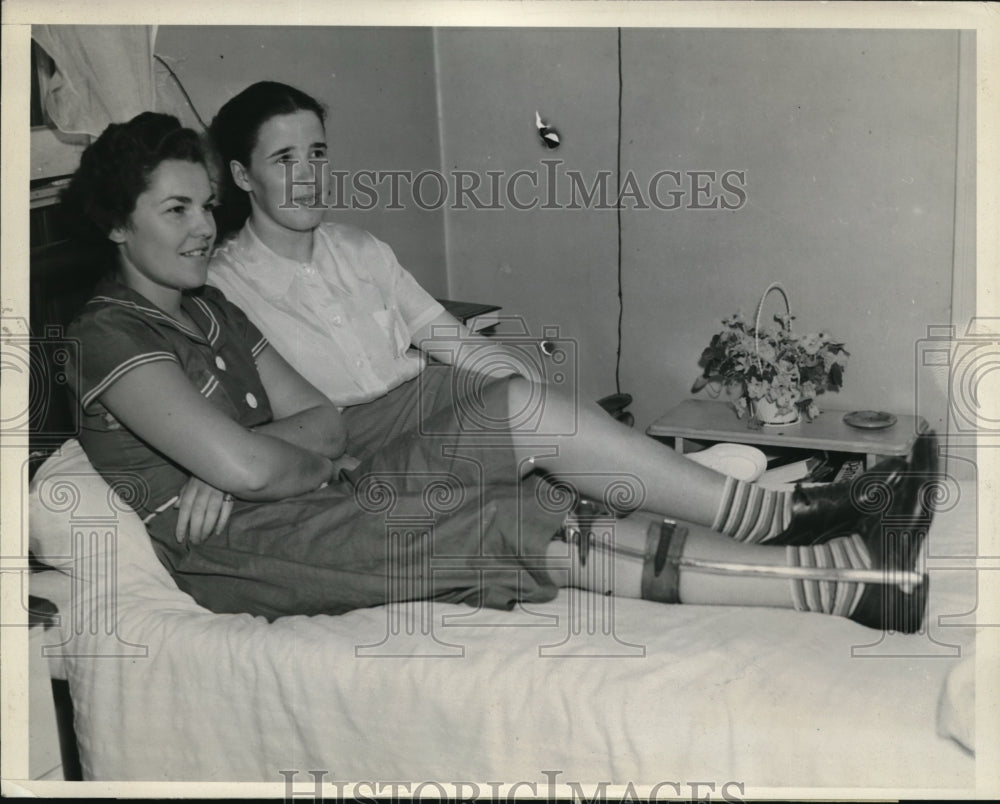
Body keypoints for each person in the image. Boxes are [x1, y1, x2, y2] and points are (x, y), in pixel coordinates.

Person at [61, 111, 935, 633]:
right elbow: (260, 465)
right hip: (245, 551)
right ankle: (846, 585)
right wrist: (252, 461)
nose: (203, 228)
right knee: (517, 526)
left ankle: (789, 528)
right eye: (175, 209)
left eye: (205, 206)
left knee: (519, 414)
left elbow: (319, 423)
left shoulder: (210, 308)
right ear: (114, 225)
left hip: (308, 494)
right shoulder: (107, 334)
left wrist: (259, 457)